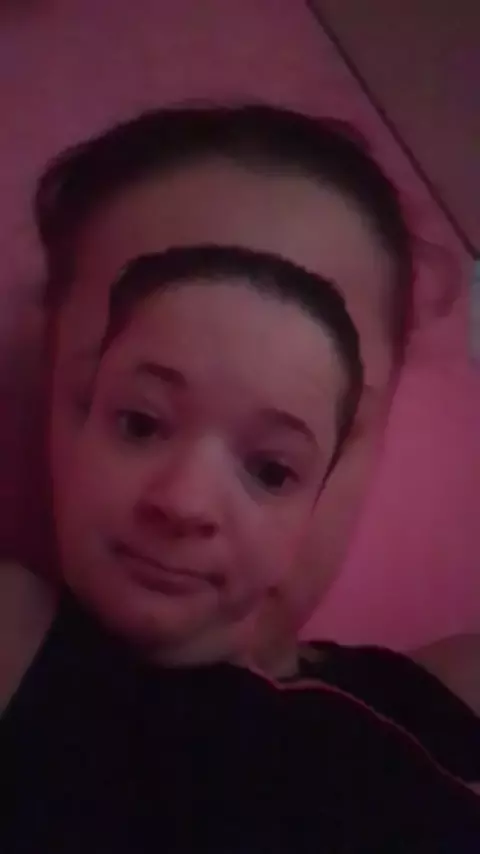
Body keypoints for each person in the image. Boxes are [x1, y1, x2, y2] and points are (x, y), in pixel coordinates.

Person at [1, 105, 479, 851]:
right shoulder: (17, 649)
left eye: (272, 463)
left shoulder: (444, 695)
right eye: (140, 420)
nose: (186, 503)